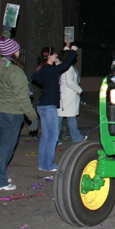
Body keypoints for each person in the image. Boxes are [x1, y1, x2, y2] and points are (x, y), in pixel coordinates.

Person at [0, 31, 38, 191]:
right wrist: (33, 117)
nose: (19, 52)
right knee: (7, 147)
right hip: (12, 112)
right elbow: (23, 98)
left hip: (0, 110)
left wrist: (5, 33)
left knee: (2, 144)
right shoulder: (15, 72)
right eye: (17, 49)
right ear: (13, 52)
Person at [31, 42, 77, 171]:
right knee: (53, 136)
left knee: (46, 136)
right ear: (50, 56)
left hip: (42, 105)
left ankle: (42, 164)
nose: (57, 55)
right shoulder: (50, 70)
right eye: (55, 53)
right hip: (49, 106)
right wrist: (72, 51)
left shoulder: (45, 70)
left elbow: (37, 77)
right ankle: (48, 165)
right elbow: (66, 65)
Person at [57, 49, 86, 144]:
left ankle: (56, 138)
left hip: (63, 95)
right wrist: (79, 90)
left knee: (60, 117)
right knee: (71, 116)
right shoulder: (68, 68)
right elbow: (70, 82)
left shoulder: (61, 65)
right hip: (68, 96)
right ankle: (76, 136)